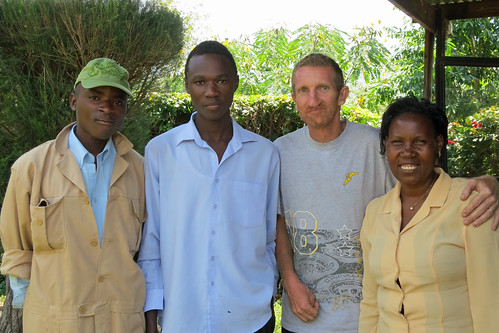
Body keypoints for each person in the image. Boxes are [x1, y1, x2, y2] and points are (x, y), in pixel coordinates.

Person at [274, 53, 498, 333]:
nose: (313, 99)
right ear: (293, 97)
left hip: (366, 319)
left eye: (323, 88)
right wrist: (289, 279)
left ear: (342, 94)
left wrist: (491, 183)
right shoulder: (279, 152)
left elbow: (422, 186)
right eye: (303, 90)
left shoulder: (373, 145)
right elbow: (279, 219)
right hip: (304, 318)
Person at [137, 40, 280, 333]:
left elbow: (269, 237)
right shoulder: (161, 152)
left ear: (236, 83)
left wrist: (266, 295)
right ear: (187, 86)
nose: (211, 91)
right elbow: (152, 241)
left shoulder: (264, 154)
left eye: (221, 80)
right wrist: (151, 316)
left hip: (250, 319)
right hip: (184, 318)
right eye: (200, 81)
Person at [0, 58, 146, 332]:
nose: (107, 107)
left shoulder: (141, 171)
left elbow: (147, 252)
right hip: (54, 322)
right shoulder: (31, 168)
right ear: (73, 101)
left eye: (117, 101)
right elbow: (18, 251)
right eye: (94, 97)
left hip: (121, 321)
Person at [359, 96, 499, 332]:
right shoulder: (375, 212)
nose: (407, 152)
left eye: (420, 141)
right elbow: (371, 299)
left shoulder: (470, 203)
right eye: (397, 142)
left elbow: (489, 298)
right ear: (386, 145)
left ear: (439, 144)